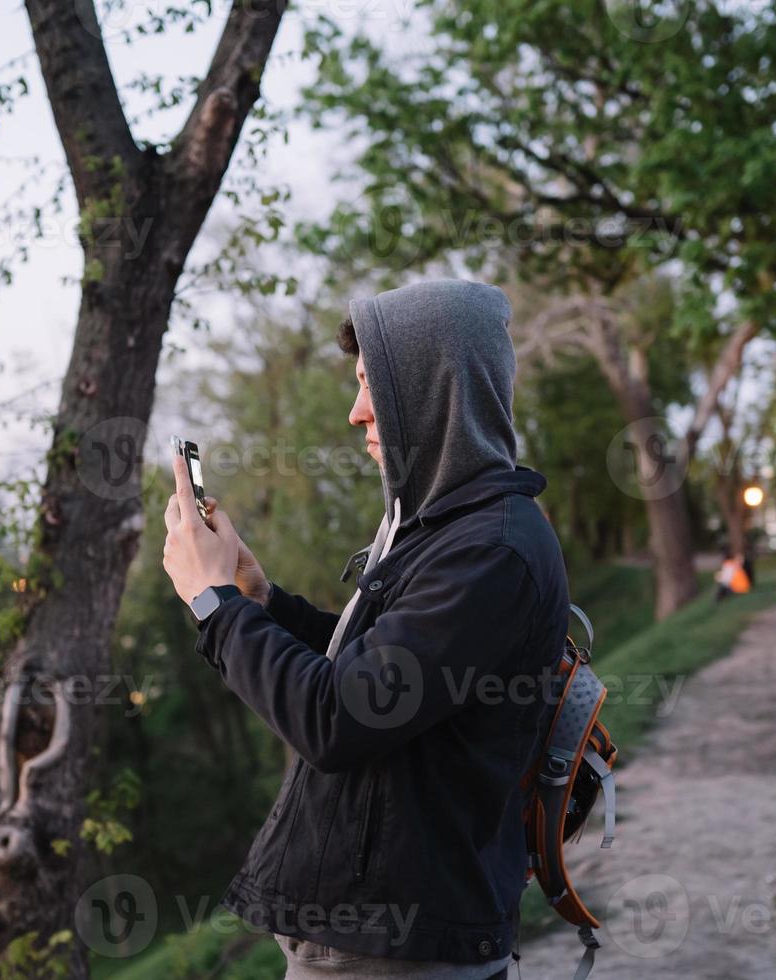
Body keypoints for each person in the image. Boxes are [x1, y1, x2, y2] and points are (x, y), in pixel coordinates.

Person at [161, 279, 569, 979]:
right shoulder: (445, 529)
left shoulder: (489, 553)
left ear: (435, 389)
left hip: (395, 949)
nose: (356, 413)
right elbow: (381, 677)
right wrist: (261, 603)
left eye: (370, 384)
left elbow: (339, 720)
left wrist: (211, 603)